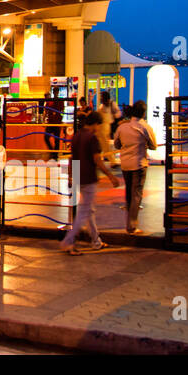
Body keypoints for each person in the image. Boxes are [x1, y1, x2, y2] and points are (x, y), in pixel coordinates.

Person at [61, 111, 121, 254]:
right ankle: (69, 242)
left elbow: (71, 158)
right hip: (89, 178)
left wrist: (70, 176)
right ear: (95, 124)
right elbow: (97, 160)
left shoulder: (76, 136)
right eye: (99, 125)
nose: (99, 128)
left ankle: (95, 241)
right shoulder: (92, 138)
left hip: (78, 177)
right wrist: (111, 176)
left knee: (89, 210)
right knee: (83, 212)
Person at [114, 100, 156, 234]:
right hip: (139, 164)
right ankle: (132, 225)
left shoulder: (122, 127)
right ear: (144, 113)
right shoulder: (145, 127)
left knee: (128, 193)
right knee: (136, 194)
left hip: (125, 164)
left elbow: (116, 145)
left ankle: (128, 222)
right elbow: (153, 145)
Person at [97, 90, 120, 168]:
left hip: (105, 127)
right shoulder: (102, 106)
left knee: (105, 145)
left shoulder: (111, 104)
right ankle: (99, 160)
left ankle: (112, 161)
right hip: (102, 127)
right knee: (100, 145)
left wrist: (113, 116)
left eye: (102, 97)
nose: (101, 99)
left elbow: (118, 114)